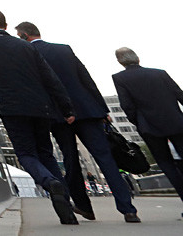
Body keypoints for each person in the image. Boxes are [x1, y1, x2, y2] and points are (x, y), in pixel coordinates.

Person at [15, 21, 140, 223]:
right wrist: (102, 109)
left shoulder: (26, 55)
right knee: (105, 159)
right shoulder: (64, 49)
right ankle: (128, 209)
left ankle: (84, 207)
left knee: (71, 162)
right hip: (87, 111)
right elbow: (85, 78)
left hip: (57, 116)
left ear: (24, 36)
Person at [0, 8, 78, 225]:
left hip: (10, 107)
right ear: (6, 26)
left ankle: (48, 182)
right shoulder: (26, 46)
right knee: (46, 153)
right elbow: (50, 78)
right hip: (40, 107)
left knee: (26, 153)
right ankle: (66, 208)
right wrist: (67, 108)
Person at [112, 47, 183, 217]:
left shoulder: (120, 78)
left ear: (120, 61)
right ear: (137, 58)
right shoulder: (159, 73)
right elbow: (179, 94)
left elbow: (127, 105)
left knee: (166, 164)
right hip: (176, 122)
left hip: (150, 128)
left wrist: (138, 122)